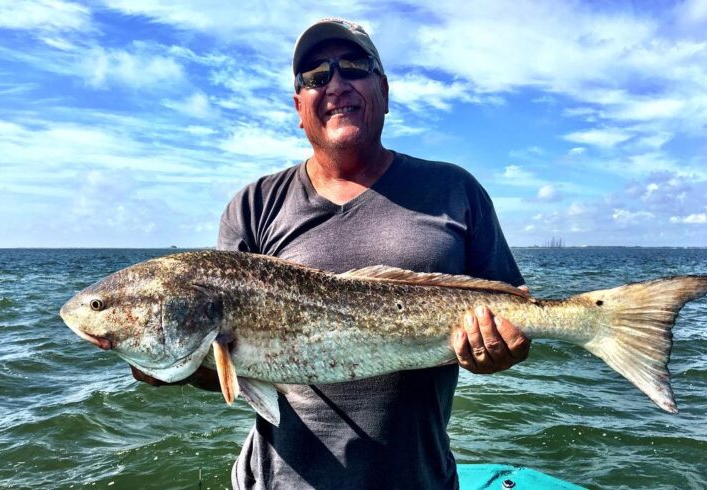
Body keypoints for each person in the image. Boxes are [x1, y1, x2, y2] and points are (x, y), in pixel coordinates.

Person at [135, 18, 530, 490]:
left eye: (355, 67)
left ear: (383, 89)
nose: (336, 84)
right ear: (299, 107)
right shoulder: (253, 205)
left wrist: (504, 349)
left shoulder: (455, 190)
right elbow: (229, 366)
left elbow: (517, 314)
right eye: (316, 76)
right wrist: (169, 363)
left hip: (420, 478)